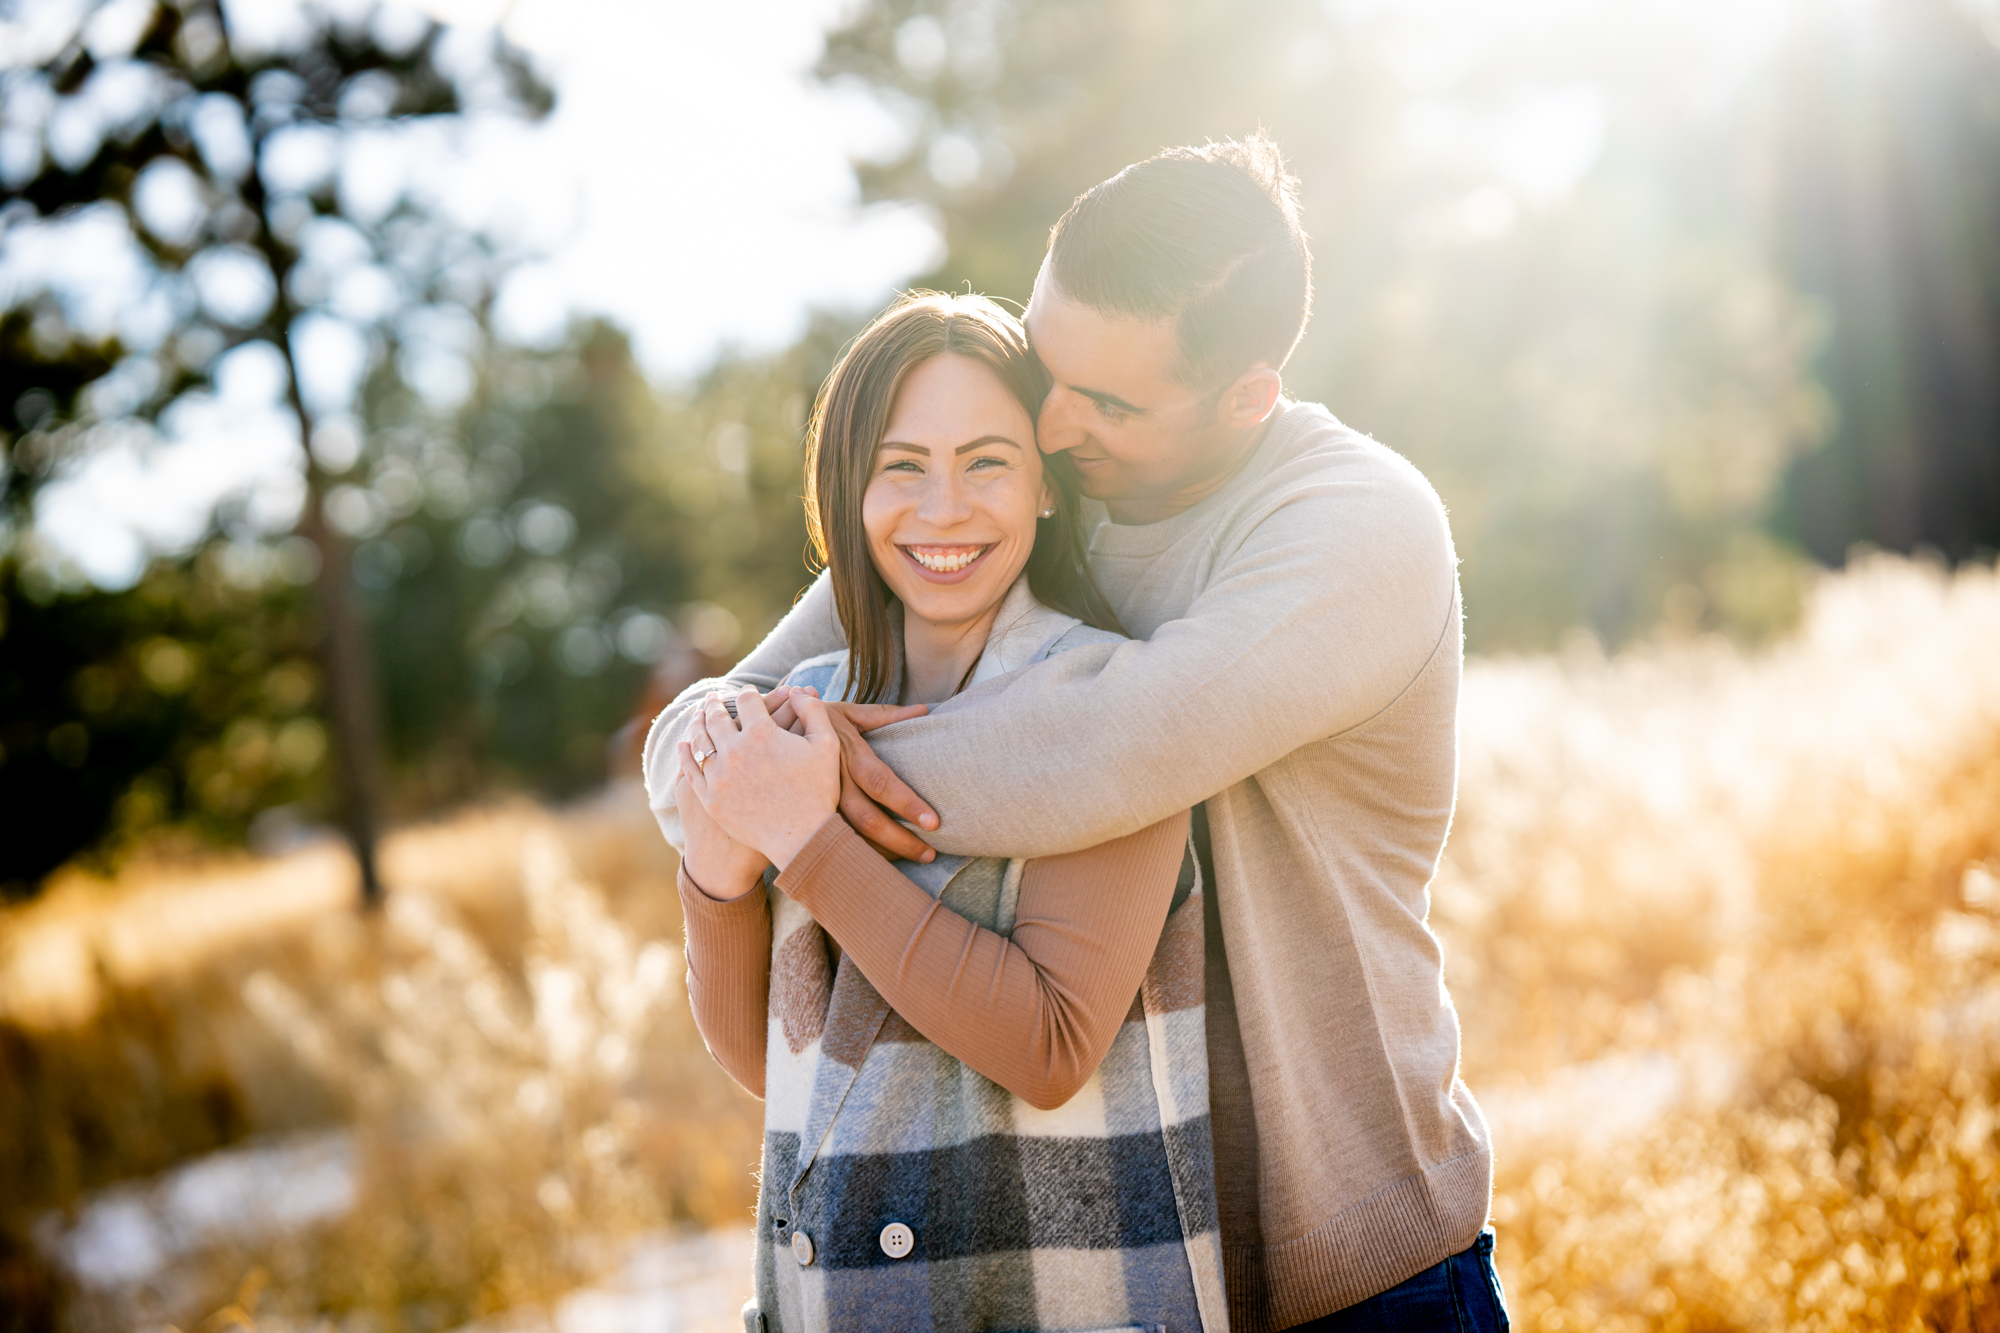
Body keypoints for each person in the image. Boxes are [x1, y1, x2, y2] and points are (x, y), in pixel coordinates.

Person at [648, 136, 1509, 1331]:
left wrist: (788, 792)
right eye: (1047, 365)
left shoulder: (1351, 525)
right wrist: (743, 773)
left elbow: (1104, 755)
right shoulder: (1025, 502)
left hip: (1355, 1271)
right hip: (1102, 1261)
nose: (1049, 423)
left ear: (1243, 395)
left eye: (1105, 401)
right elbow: (704, 733)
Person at [667, 292, 1227, 1333]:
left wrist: (805, 838)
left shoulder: (1102, 696)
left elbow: (1049, 1048)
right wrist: (714, 873)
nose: (943, 509)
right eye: (901, 466)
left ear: (1045, 485)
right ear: (847, 488)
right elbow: (770, 1064)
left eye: (986, 462)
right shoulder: (798, 710)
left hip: (1067, 1296)